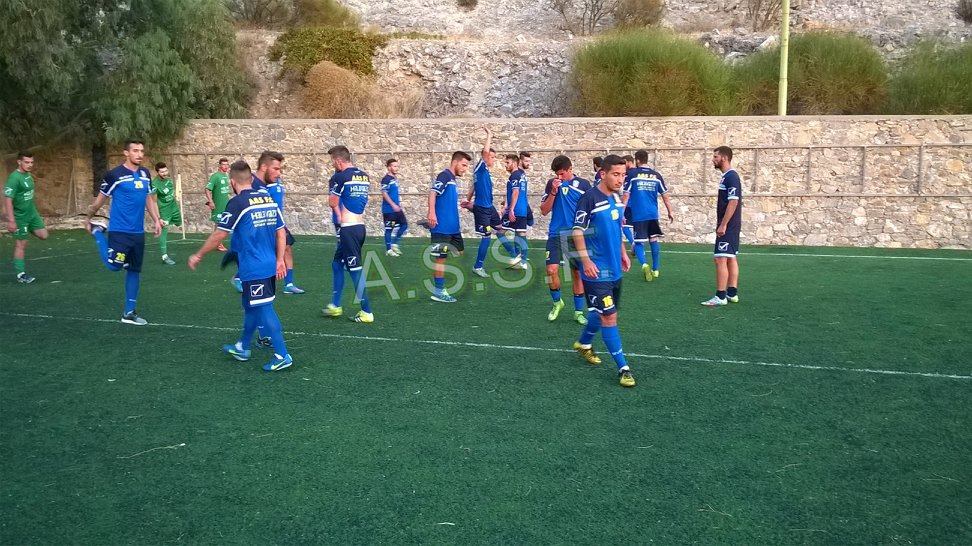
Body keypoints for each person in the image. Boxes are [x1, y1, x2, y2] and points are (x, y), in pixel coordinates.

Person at [188, 160, 293, 372]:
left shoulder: (237, 203)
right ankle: (243, 347)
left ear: (232, 182)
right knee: (250, 306)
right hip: (262, 264)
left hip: (255, 267)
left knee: (264, 308)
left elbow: (219, 234)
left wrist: (199, 254)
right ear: (250, 178)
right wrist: (280, 259)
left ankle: (283, 355)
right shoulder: (267, 198)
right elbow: (281, 232)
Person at [572, 154, 635, 388]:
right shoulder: (589, 198)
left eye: (623, 175)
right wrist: (586, 261)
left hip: (615, 267)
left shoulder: (617, 197)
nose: (620, 179)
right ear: (603, 174)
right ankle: (623, 368)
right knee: (609, 316)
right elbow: (577, 231)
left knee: (602, 313)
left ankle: (584, 343)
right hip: (597, 271)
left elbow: (616, 229)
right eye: (615, 174)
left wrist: (622, 252)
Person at [84, 139, 162, 325]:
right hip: (120, 231)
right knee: (114, 266)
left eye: (141, 151)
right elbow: (100, 200)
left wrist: (156, 220)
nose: (139, 154)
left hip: (138, 233)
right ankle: (97, 233)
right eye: (135, 151)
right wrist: (88, 217)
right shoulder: (114, 175)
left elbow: (149, 198)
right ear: (126, 153)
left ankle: (129, 313)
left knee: (134, 270)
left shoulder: (145, 174)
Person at [323, 145, 374, 323]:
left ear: (338, 161)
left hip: (348, 229)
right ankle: (335, 305)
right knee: (337, 264)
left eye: (332, 161)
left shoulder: (340, 176)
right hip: (359, 226)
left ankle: (367, 311)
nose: (332, 165)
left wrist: (337, 212)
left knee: (355, 270)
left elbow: (332, 201)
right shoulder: (364, 176)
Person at [539, 155, 591, 325]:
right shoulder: (552, 184)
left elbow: (590, 210)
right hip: (555, 234)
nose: (559, 177)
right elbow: (544, 210)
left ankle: (578, 312)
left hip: (576, 235)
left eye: (562, 173)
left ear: (570, 169)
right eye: (557, 174)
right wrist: (553, 191)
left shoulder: (584, 185)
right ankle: (557, 303)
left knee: (577, 273)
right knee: (551, 270)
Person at [462, 126, 519, 277]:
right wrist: (489, 135)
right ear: (485, 157)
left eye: (494, 157)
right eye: (492, 157)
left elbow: (473, 186)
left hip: (489, 207)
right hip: (482, 209)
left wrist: (467, 200)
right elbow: (486, 153)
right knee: (486, 237)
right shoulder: (481, 166)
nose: (493, 159)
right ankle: (478, 266)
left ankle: (514, 257)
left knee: (500, 229)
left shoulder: (484, 172)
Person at [623, 149, 674, 281]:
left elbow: (626, 195)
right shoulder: (656, 175)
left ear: (637, 160)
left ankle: (645, 265)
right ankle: (656, 269)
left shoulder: (633, 175)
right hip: (653, 214)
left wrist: (621, 213)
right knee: (653, 240)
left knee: (639, 243)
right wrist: (670, 211)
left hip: (639, 214)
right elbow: (665, 195)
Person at [427, 151, 470, 303]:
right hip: (442, 228)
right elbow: (433, 193)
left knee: (460, 252)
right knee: (440, 259)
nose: (465, 169)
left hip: (453, 228)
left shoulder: (452, 179)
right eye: (463, 165)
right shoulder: (444, 175)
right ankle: (439, 292)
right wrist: (432, 213)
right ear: (455, 162)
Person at [260, 151, 304, 294]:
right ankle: (240, 277)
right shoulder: (261, 184)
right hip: (266, 223)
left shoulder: (276, 180)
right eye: (276, 169)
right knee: (264, 253)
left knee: (287, 248)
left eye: (280, 169)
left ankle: (289, 284)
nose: (279, 172)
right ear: (265, 167)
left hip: (279, 222)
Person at [703, 146, 742, 306]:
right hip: (732, 225)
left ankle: (720, 296)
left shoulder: (731, 177)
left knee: (720, 258)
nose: (713, 160)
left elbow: (733, 202)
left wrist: (723, 225)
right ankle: (732, 293)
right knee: (730, 257)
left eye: (715, 157)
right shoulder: (727, 177)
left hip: (728, 225)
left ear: (724, 158)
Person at [4, 151, 48, 283]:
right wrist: (11, 221)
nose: (30, 165)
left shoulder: (28, 175)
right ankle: (21, 275)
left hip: (32, 213)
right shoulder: (14, 178)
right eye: (27, 162)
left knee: (44, 235)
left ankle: (26, 230)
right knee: (21, 244)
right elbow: (8, 200)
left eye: (31, 162)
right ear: (19, 162)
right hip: (20, 217)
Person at [501, 152, 530, 271]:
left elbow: (516, 192)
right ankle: (522, 261)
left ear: (514, 163)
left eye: (507, 163)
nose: (506, 165)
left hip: (516, 210)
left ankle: (516, 257)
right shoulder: (522, 175)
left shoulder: (514, 175)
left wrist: (511, 209)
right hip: (522, 209)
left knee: (499, 231)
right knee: (520, 234)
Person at [150, 162, 182, 265]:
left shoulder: (169, 180)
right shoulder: (155, 185)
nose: (164, 173)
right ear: (157, 172)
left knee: (179, 222)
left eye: (166, 171)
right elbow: (154, 202)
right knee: (164, 230)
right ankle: (164, 256)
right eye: (162, 172)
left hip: (174, 207)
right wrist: (159, 218)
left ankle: (162, 227)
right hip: (164, 210)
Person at [380, 158, 408, 257]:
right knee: (389, 229)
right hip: (389, 210)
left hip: (396, 208)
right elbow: (384, 193)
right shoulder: (386, 179)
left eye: (397, 166)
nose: (396, 168)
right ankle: (388, 250)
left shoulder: (394, 179)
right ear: (389, 167)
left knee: (404, 225)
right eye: (394, 166)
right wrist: (393, 205)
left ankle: (395, 244)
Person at [205, 158, 231, 252]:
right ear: (219, 165)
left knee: (222, 224)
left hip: (225, 204)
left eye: (227, 164)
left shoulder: (225, 176)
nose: (226, 166)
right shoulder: (215, 176)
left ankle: (217, 242)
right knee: (218, 224)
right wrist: (211, 201)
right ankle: (218, 244)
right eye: (224, 164)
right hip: (218, 205)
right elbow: (207, 189)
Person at [620, 154, 636, 248]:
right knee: (638, 226)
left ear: (627, 162)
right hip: (638, 205)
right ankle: (638, 246)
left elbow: (625, 192)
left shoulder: (628, 174)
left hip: (629, 204)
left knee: (624, 224)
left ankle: (633, 243)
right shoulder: (638, 173)